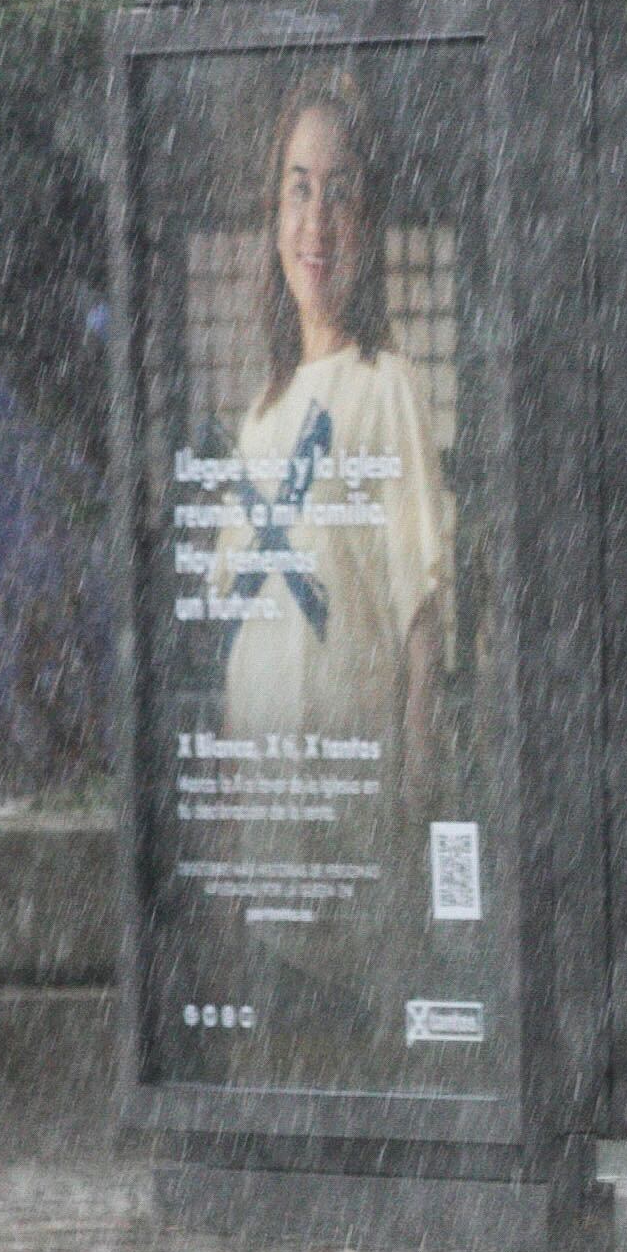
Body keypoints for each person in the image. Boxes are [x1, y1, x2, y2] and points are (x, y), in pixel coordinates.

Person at [216, 72, 448, 801]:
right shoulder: (258, 416)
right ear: (275, 216)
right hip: (263, 800)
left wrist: (418, 770)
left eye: (340, 192)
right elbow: (234, 622)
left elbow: (422, 603)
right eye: (300, 189)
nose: (317, 223)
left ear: (368, 220)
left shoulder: (388, 385)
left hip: (353, 789)